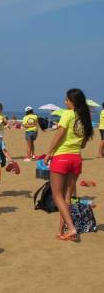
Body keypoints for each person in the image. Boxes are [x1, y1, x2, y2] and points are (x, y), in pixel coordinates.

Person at [44, 89, 93, 241]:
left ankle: (71, 228)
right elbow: (84, 143)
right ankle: (61, 230)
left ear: (73, 101)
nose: (65, 102)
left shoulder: (68, 114)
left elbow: (59, 135)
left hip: (62, 158)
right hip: (76, 159)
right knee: (67, 197)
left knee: (57, 195)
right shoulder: (85, 118)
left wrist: (48, 152)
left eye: (66, 100)